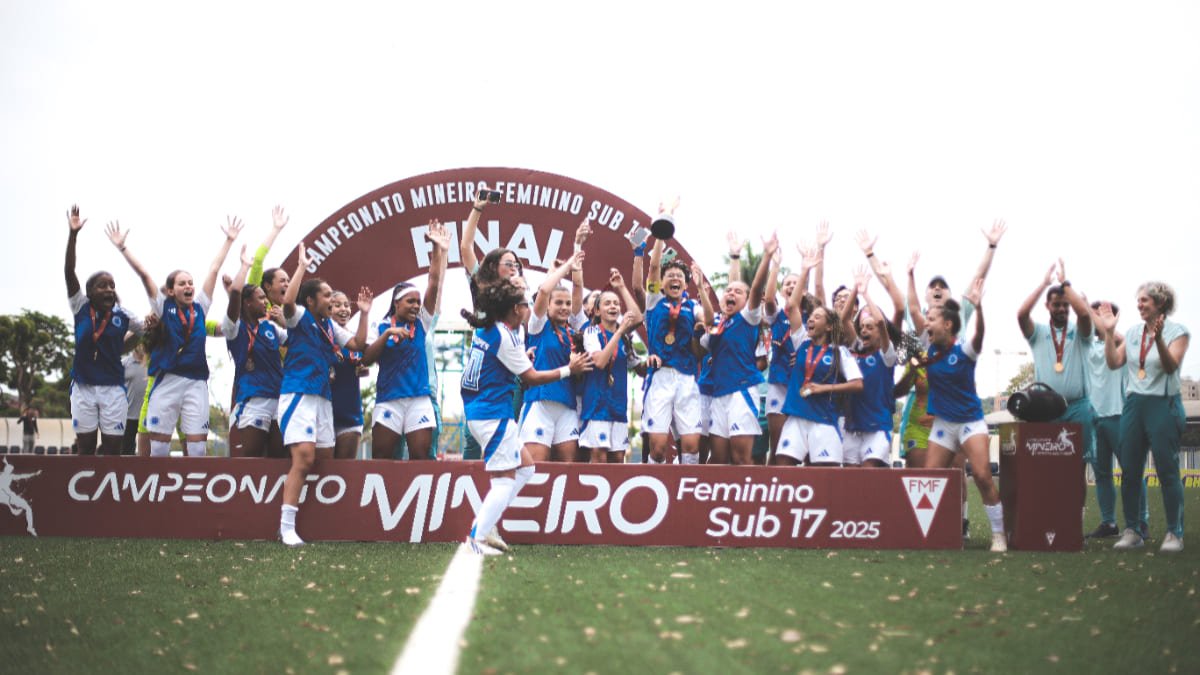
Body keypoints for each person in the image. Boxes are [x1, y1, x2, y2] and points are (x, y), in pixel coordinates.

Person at [460, 279, 592, 555]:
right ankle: (477, 537)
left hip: (485, 411)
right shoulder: (505, 336)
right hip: (492, 413)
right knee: (505, 480)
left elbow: (503, 364)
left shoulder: (491, 330)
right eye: (524, 305)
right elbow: (531, 378)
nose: (529, 309)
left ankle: (485, 524)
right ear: (514, 309)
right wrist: (568, 369)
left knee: (527, 467)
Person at [109, 218, 242, 457]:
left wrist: (229, 240)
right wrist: (122, 247)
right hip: (166, 380)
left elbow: (213, 269)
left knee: (198, 449)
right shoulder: (163, 308)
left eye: (191, 283)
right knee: (158, 449)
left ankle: (195, 492)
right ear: (171, 290)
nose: (189, 286)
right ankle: (160, 492)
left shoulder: (201, 307)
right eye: (182, 284)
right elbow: (144, 274)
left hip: (196, 382)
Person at [276, 244, 373, 546]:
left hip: (323, 400)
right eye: (328, 295)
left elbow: (357, 344)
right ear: (312, 299)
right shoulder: (300, 316)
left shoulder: (330, 326)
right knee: (303, 459)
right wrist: (301, 267)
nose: (332, 299)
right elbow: (288, 302)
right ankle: (286, 527)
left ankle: (318, 521)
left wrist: (365, 314)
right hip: (298, 395)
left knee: (324, 459)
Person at [1098, 282, 1189, 553]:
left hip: (1163, 404)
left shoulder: (1178, 331)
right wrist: (1109, 332)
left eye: (1145, 301)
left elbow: (1170, 365)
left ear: (1160, 303)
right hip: (1134, 404)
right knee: (1130, 470)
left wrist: (1159, 338)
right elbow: (1114, 363)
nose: (1139, 305)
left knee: (1167, 470)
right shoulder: (1133, 332)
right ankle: (1133, 530)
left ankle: (1174, 533)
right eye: (1138, 301)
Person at [920, 282, 1008, 552]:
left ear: (948, 324)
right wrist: (909, 276)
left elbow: (980, 333)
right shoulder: (927, 349)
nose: (926, 324)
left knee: (982, 475)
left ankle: (998, 534)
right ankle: (935, 532)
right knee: (929, 479)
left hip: (971, 421)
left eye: (931, 319)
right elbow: (908, 311)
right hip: (944, 424)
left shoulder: (964, 351)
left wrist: (979, 307)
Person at [363, 221, 451, 461]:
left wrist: (437, 249)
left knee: (421, 455)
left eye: (417, 302)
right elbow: (367, 358)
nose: (415, 305)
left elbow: (433, 283)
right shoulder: (379, 326)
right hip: (389, 400)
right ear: (396, 303)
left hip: (419, 400)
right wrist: (387, 335)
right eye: (410, 301)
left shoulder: (421, 323)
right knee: (382, 457)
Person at [64, 205, 146, 455]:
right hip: (83, 387)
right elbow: (69, 272)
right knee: (86, 447)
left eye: (112, 285)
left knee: (113, 449)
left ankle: (108, 493)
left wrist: (124, 346)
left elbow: (143, 332)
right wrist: (73, 235)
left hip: (113, 389)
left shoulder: (123, 315)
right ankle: (84, 492)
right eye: (102, 286)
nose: (109, 290)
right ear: (90, 292)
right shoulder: (80, 306)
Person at [1016, 260, 1095, 517]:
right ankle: (1047, 516)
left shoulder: (1080, 331)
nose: (1062, 308)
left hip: (1077, 408)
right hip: (1046, 408)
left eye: (1065, 304)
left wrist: (1065, 284)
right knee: (1045, 464)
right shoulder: (1038, 333)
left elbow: (1085, 314)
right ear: (1048, 306)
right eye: (1057, 304)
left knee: (1076, 467)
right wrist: (1043, 283)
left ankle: (1076, 519)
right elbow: (1020, 314)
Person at [775, 245, 863, 467]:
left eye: (817, 317)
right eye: (810, 317)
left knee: (825, 477)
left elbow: (857, 384)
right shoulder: (802, 342)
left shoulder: (839, 352)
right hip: (795, 417)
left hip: (824, 420)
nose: (811, 320)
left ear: (829, 326)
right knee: (782, 467)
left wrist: (824, 389)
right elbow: (793, 305)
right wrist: (804, 270)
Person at [697, 234, 777, 465]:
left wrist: (767, 256)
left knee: (741, 457)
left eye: (737, 293)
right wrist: (734, 256)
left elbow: (753, 290)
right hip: (718, 395)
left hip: (741, 392)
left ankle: (752, 499)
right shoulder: (719, 323)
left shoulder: (749, 318)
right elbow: (735, 289)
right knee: (719, 459)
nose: (731, 294)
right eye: (727, 291)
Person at [641, 213, 705, 465]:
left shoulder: (693, 306)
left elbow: (708, 320)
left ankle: (686, 496)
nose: (675, 278)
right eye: (670, 276)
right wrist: (661, 233)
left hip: (687, 378)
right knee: (657, 450)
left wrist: (703, 325)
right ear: (662, 283)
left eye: (680, 276)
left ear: (686, 284)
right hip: (660, 378)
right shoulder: (654, 300)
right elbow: (654, 267)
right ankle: (651, 485)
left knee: (690, 448)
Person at [1084, 301, 1148, 539]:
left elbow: (1123, 340)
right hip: (1094, 418)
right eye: (1094, 315)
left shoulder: (1122, 342)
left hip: (1119, 414)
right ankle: (1108, 523)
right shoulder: (1086, 344)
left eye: (1101, 315)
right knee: (1102, 475)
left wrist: (1106, 325)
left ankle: (1142, 521)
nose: (1096, 321)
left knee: (1131, 471)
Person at [518, 250, 587, 463]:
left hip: (567, 406)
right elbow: (544, 289)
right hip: (540, 403)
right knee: (537, 469)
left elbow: (577, 291)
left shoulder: (573, 332)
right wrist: (566, 266)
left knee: (567, 470)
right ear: (547, 306)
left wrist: (576, 268)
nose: (565, 307)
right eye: (558, 303)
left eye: (567, 304)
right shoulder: (538, 326)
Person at [224, 248, 287, 458]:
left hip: (278, 398)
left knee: (279, 458)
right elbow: (234, 294)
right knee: (252, 459)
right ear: (247, 302)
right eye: (261, 298)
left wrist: (284, 322)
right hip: (254, 400)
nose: (266, 302)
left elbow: (299, 341)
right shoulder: (234, 328)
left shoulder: (271, 328)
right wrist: (245, 267)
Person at [580, 270, 642, 463]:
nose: (613, 306)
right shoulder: (591, 332)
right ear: (597, 311)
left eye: (616, 303)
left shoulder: (624, 336)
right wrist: (620, 330)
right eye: (607, 303)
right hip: (597, 406)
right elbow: (599, 361)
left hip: (618, 406)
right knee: (599, 457)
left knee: (617, 459)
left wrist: (622, 287)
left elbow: (638, 318)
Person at [842, 272, 898, 468]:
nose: (864, 330)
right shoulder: (856, 351)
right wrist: (855, 289)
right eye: (862, 327)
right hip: (852, 428)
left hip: (877, 428)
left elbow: (881, 321)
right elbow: (844, 320)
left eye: (869, 327)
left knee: (868, 474)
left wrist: (866, 294)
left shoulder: (887, 355)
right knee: (850, 482)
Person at [328, 291, 368, 460]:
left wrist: (363, 368)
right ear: (327, 309)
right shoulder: (319, 338)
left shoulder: (355, 341)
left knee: (344, 473)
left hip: (350, 415)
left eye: (346, 305)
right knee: (320, 473)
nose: (343, 309)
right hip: (323, 414)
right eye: (337, 305)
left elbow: (363, 363)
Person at [121, 344, 149, 455]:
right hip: (128, 415)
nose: (142, 345)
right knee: (127, 451)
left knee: (147, 453)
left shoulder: (152, 362)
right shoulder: (124, 363)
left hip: (147, 415)